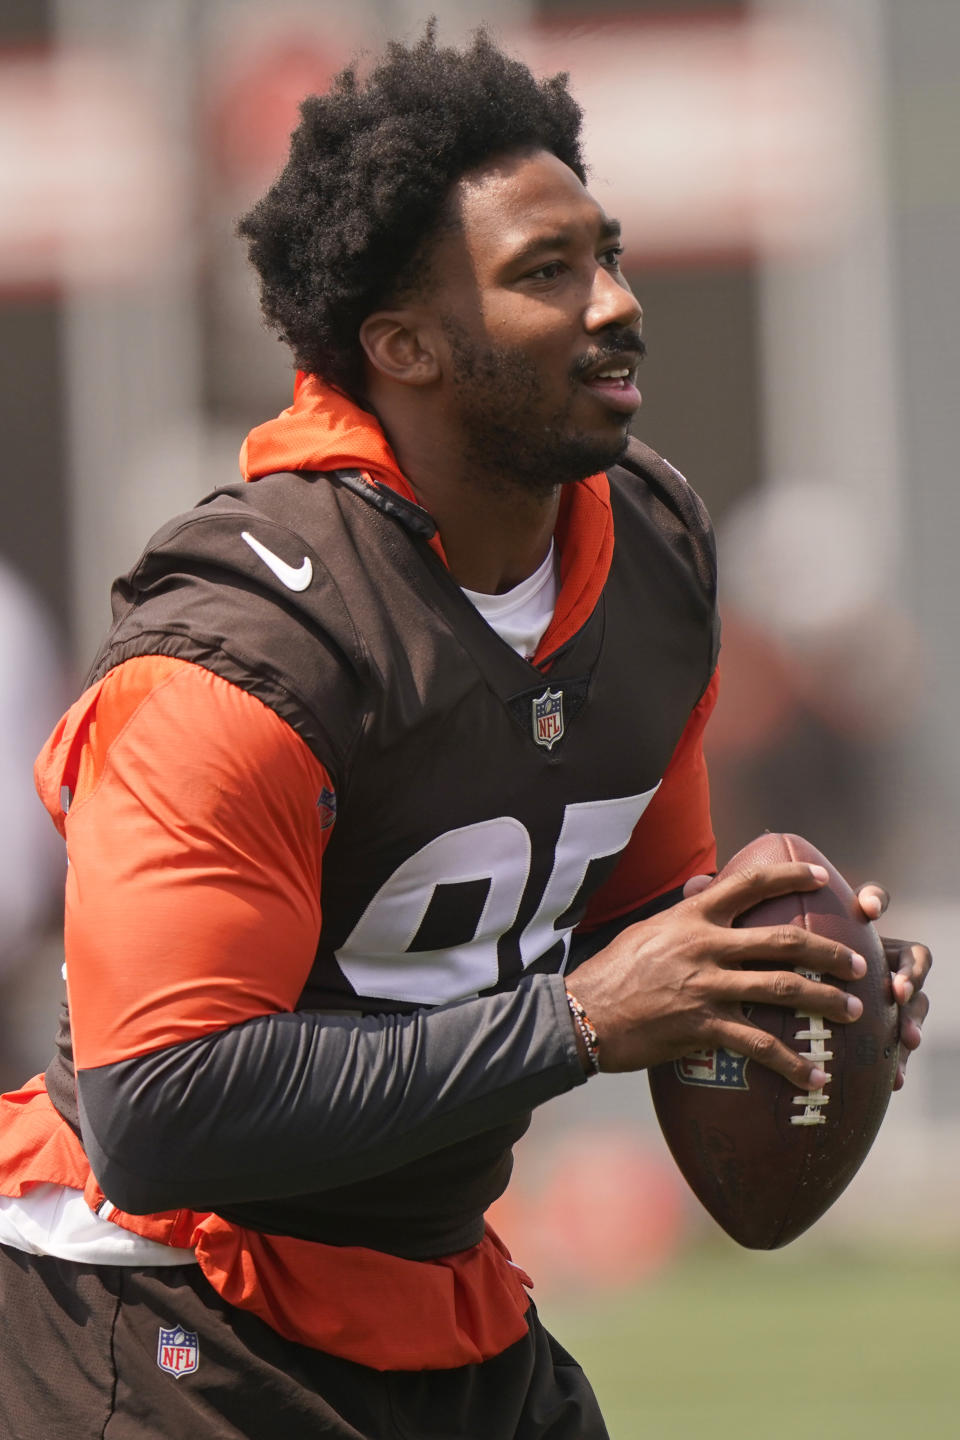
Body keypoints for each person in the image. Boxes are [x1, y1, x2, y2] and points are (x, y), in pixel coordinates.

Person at [0, 26, 929, 1440]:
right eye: (546, 274)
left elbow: (642, 917)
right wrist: (580, 1019)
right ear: (405, 345)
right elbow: (160, 1104)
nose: (615, 303)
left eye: (605, 253)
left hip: (428, 1285)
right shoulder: (243, 656)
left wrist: (781, 979)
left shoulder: (654, 556)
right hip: (161, 1306)